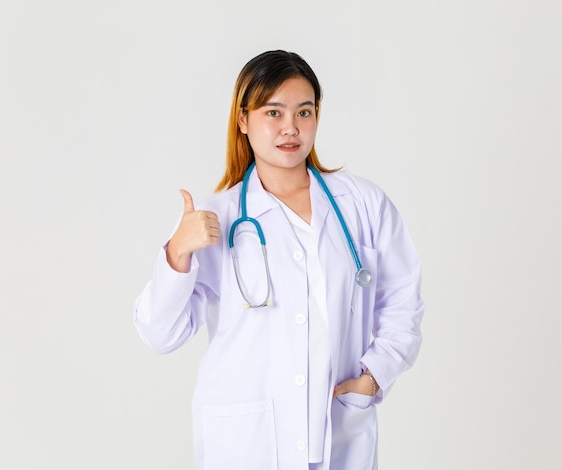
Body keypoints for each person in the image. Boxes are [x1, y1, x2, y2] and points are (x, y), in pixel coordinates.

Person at [134, 50, 424, 470]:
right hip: (246, 441)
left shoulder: (362, 204)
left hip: (338, 427)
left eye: (303, 112)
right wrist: (177, 252)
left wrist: (373, 376)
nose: (291, 127)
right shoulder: (217, 218)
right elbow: (159, 334)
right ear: (243, 120)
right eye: (274, 112)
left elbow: (403, 302)